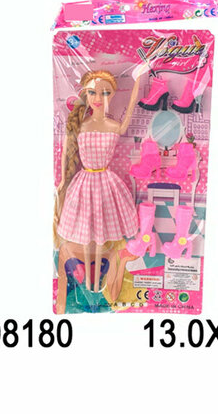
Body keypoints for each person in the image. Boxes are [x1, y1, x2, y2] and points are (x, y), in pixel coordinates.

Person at [54, 67, 146, 314]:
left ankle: (98, 277)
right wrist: (62, 180)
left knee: (102, 229)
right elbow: (66, 154)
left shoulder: (113, 125)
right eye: (93, 92)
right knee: (87, 229)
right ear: (85, 94)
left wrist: (138, 80)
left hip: (106, 181)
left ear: (113, 95)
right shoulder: (79, 124)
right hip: (85, 182)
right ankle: (89, 276)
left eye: (106, 93)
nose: (98, 98)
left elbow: (130, 110)